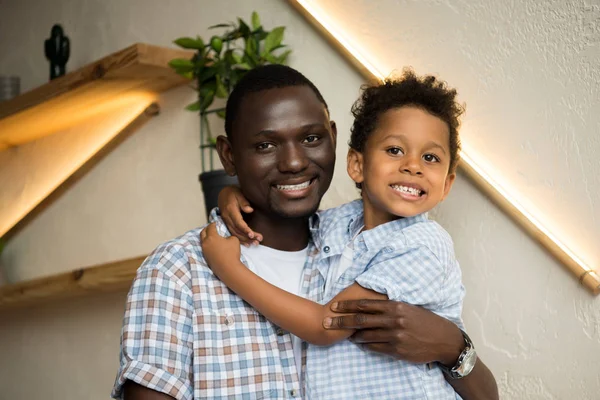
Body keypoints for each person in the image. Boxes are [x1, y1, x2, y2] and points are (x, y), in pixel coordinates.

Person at [112, 64, 498, 399]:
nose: (294, 162)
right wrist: (233, 193)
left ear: (332, 140)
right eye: (265, 145)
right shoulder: (179, 270)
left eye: (311, 138)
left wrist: (453, 346)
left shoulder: (376, 245)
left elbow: (323, 326)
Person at [202, 69, 472, 399]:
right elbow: (285, 217)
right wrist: (231, 195)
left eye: (430, 157)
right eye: (395, 150)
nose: (413, 166)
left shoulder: (423, 245)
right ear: (356, 164)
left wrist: (230, 269)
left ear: (446, 184)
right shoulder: (340, 224)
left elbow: (325, 326)